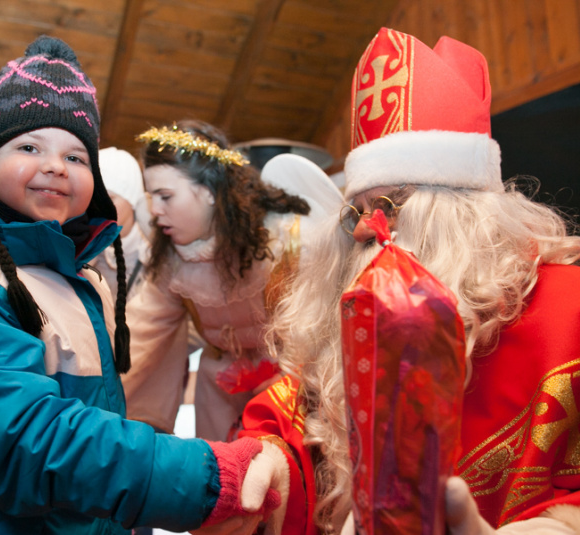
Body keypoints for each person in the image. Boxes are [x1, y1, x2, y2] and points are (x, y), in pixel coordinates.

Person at [0, 35, 288, 534]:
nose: (56, 165)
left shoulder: (74, 277)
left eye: (76, 157)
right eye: (29, 147)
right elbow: (31, 442)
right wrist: (203, 477)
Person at [248, 27, 580, 534]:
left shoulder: (569, 310)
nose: (366, 229)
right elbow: (292, 422)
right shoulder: (348, 316)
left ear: (465, 213)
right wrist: (269, 467)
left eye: (391, 203)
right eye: (357, 210)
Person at [121, 120, 343, 442]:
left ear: (209, 192)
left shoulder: (286, 241)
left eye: (165, 196)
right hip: (218, 388)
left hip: (289, 384)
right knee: (221, 467)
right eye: (151, 196)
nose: (154, 210)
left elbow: (321, 325)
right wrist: (101, 388)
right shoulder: (172, 260)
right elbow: (141, 332)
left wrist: (295, 378)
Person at [88, 146, 149, 302]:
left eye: (109, 199)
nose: (98, 208)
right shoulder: (83, 246)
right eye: (92, 199)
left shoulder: (151, 252)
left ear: (132, 200)